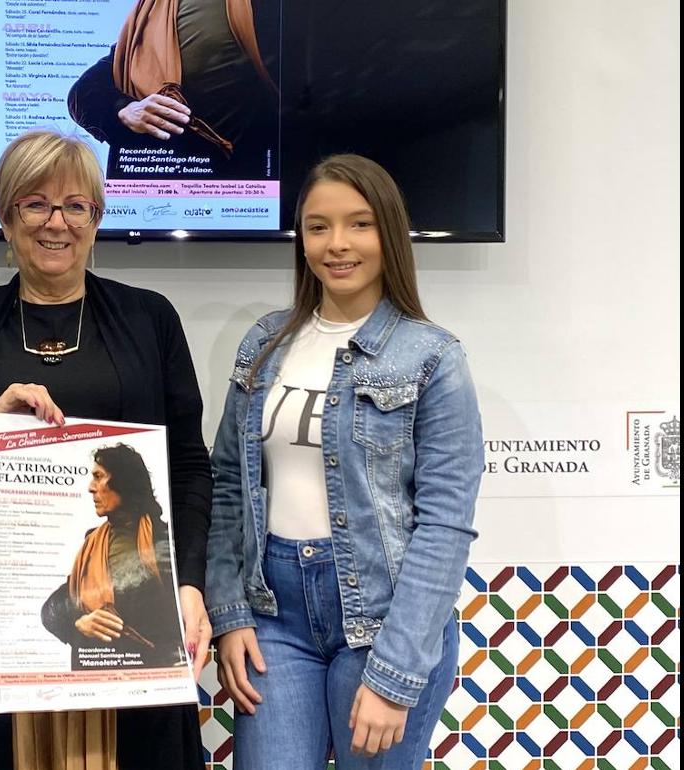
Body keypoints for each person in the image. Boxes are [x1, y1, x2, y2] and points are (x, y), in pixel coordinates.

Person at [0, 128, 211, 770]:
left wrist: (191, 585)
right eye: (35, 204)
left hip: (135, 604)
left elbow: (189, 467)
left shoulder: (151, 319)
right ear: (6, 215)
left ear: (98, 216)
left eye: (75, 205)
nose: (56, 223)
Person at [205, 154, 483, 768]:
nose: (337, 244)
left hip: (382, 621)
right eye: (317, 226)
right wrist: (228, 613)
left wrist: (397, 674)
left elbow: (445, 525)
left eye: (359, 224)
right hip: (273, 618)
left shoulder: (433, 357)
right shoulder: (265, 342)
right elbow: (229, 484)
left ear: (389, 232)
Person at [68, 0, 281, 180]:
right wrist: (125, 109)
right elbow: (82, 94)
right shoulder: (156, 13)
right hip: (151, 186)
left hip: (241, 185)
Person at [42, 444, 188, 671]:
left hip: (152, 678)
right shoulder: (93, 544)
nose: (91, 487)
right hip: (96, 680)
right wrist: (78, 623)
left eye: (98, 477)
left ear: (124, 482)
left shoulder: (164, 541)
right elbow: (53, 608)